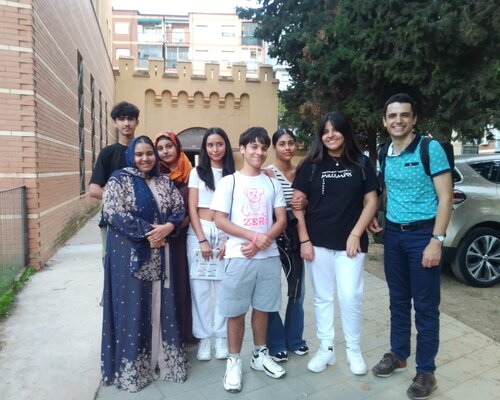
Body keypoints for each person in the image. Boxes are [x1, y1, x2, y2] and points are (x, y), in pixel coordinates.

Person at [368, 93, 453, 400]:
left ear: (414, 118)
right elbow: (387, 189)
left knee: (426, 307)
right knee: (398, 301)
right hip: (394, 236)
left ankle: (426, 371)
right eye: (393, 116)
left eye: (405, 114)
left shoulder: (430, 149)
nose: (398, 120)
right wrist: (374, 215)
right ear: (385, 121)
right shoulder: (384, 152)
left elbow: (446, 197)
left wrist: (436, 241)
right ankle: (399, 354)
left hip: (422, 236)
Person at [292, 111, 379, 375]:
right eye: (325, 131)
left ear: (345, 132)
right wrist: (304, 240)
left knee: (350, 296)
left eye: (336, 129)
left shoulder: (362, 163)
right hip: (318, 241)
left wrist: (355, 233)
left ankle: (353, 348)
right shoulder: (310, 165)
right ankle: (326, 348)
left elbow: (372, 201)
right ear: (320, 135)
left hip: (352, 243)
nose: (331, 135)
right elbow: (297, 204)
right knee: (322, 297)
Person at [101, 135, 189, 392]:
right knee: (134, 306)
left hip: (163, 254)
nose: (145, 158)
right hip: (130, 256)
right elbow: (113, 213)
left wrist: (168, 227)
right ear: (131, 155)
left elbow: (179, 209)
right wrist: (151, 232)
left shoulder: (164, 181)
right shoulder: (119, 179)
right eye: (139, 154)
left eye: (149, 153)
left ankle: (164, 361)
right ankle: (137, 368)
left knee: (162, 304)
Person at [211, 127, 287, 393]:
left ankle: (259, 354)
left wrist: (262, 241)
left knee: (264, 308)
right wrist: (254, 237)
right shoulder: (229, 182)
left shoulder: (272, 182)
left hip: (268, 256)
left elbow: (282, 219)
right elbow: (220, 220)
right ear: (242, 149)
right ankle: (233, 360)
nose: (260, 152)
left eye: (264, 147)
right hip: (238, 255)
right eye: (254, 146)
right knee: (236, 311)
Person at [186, 128, 235, 361]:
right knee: (201, 289)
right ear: (205, 148)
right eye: (210, 145)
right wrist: (202, 239)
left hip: (226, 232)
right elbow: (192, 207)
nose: (215, 149)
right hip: (200, 231)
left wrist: (229, 240)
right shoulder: (197, 172)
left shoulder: (234, 174)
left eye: (219, 144)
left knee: (225, 288)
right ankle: (204, 338)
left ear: (226, 146)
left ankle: (222, 337)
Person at [264, 128, 309, 362]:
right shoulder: (267, 173)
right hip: (274, 235)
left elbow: (310, 200)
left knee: (297, 291)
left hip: (297, 233)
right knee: (271, 292)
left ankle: (295, 339)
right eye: (282, 143)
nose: (287, 148)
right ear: (275, 147)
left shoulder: (302, 172)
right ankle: (275, 343)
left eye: (291, 143)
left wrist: (306, 201)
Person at [154, 131, 195, 344]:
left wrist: (173, 227)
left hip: (182, 237)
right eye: (160, 148)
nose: (165, 152)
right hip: (159, 239)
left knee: (182, 283)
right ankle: (164, 335)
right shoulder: (154, 174)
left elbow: (193, 210)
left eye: (169, 146)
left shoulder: (191, 174)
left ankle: (184, 333)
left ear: (177, 147)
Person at [89, 101, 140, 252]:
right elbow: (94, 189)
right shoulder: (107, 153)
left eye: (130, 119)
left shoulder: (144, 153)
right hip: (112, 219)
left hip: (141, 220)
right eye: (121, 119)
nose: (126, 123)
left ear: (137, 122)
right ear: (115, 123)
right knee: (111, 260)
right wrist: (121, 202)